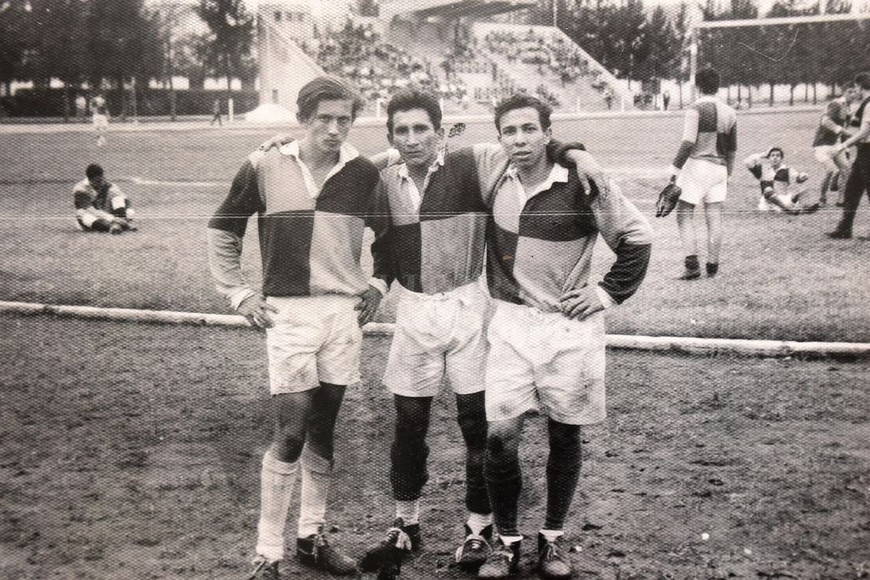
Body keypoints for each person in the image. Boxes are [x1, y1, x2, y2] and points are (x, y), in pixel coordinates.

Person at [206, 76, 390, 580]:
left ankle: (310, 538)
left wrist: (377, 283)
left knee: (324, 430)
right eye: (324, 119)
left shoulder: (363, 172)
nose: (333, 129)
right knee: (290, 434)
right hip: (289, 313)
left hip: (342, 314)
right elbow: (224, 226)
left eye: (344, 120)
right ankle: (268, 553)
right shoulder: (264, 163)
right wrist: (239, 292)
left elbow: (390, 236)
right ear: (303, 118)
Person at [476, 94, 653, 580]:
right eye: (509, 131)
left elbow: (636, 238)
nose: (519, 140)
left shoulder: (583, 180)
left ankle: (552, 538)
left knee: (564, 432)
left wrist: (606, 293)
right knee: (498, 438)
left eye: (529, 129)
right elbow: (425, 152)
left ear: (546, 133)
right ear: (499, 138)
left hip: (568, 327)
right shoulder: (494, 173)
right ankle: (507, 543)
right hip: (511, 322)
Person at [668, 66, 737, 280]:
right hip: (720, 168)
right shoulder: (730, 111)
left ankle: (691, 266)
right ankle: (713, 266)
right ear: (717, 85)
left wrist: (674, 168)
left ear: (698, 86)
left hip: (698, 165)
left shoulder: (694, 109)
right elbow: (732, 149)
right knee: (714, 216)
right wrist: (730, 174)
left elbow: (688, 142)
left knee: (684, 214)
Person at [828, 71, 870, 240]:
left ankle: (845, 229)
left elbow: (866, 130)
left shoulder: (869, 104)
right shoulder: (864, 104)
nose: (855, 91)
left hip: (868, 151)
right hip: (863, 152)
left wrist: (843, 145)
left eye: (856, 88)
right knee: (852, 189)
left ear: (860, 86)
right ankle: (844, 229)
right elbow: (854, 127)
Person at [812, 82, 860, 205]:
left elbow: (845, 128)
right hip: (822, 143)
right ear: (843, 92)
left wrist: (847, 146)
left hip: (836, 144)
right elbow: (825, 121)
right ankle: (822, 198)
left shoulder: (848, 108)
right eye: (850, 91)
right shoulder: (836, 104)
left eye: (854, 91)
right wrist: (843, 131)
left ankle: (841, 200)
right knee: (831, 170)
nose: (853, 94)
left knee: (846, 169)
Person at [744, 147, 819, 215]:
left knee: (802, 189)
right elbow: (747, 162)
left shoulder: (787, 169)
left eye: (777, 156)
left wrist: (803, 176)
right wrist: (763, 154)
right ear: (768, 158)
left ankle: (805, 208)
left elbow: (798, 178)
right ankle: (789, 210)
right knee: (768, 189)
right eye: (772, 155)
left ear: (781, 158)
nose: (775, 158)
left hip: (784, 200)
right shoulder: (762, 170)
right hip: (768, 203)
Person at [73, 164, 136, 234]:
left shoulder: (106, 184)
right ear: (89, 179)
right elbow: (90, 210)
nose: (100, 183)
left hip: (107, 213)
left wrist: (128, 210)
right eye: (97, 181)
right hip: (92, 216)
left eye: (101, 179)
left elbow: (124, 198)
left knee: (118, 199)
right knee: (85, 217)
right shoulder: (80, 189)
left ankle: (121, 223)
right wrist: (112, 219)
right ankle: (113, 227)